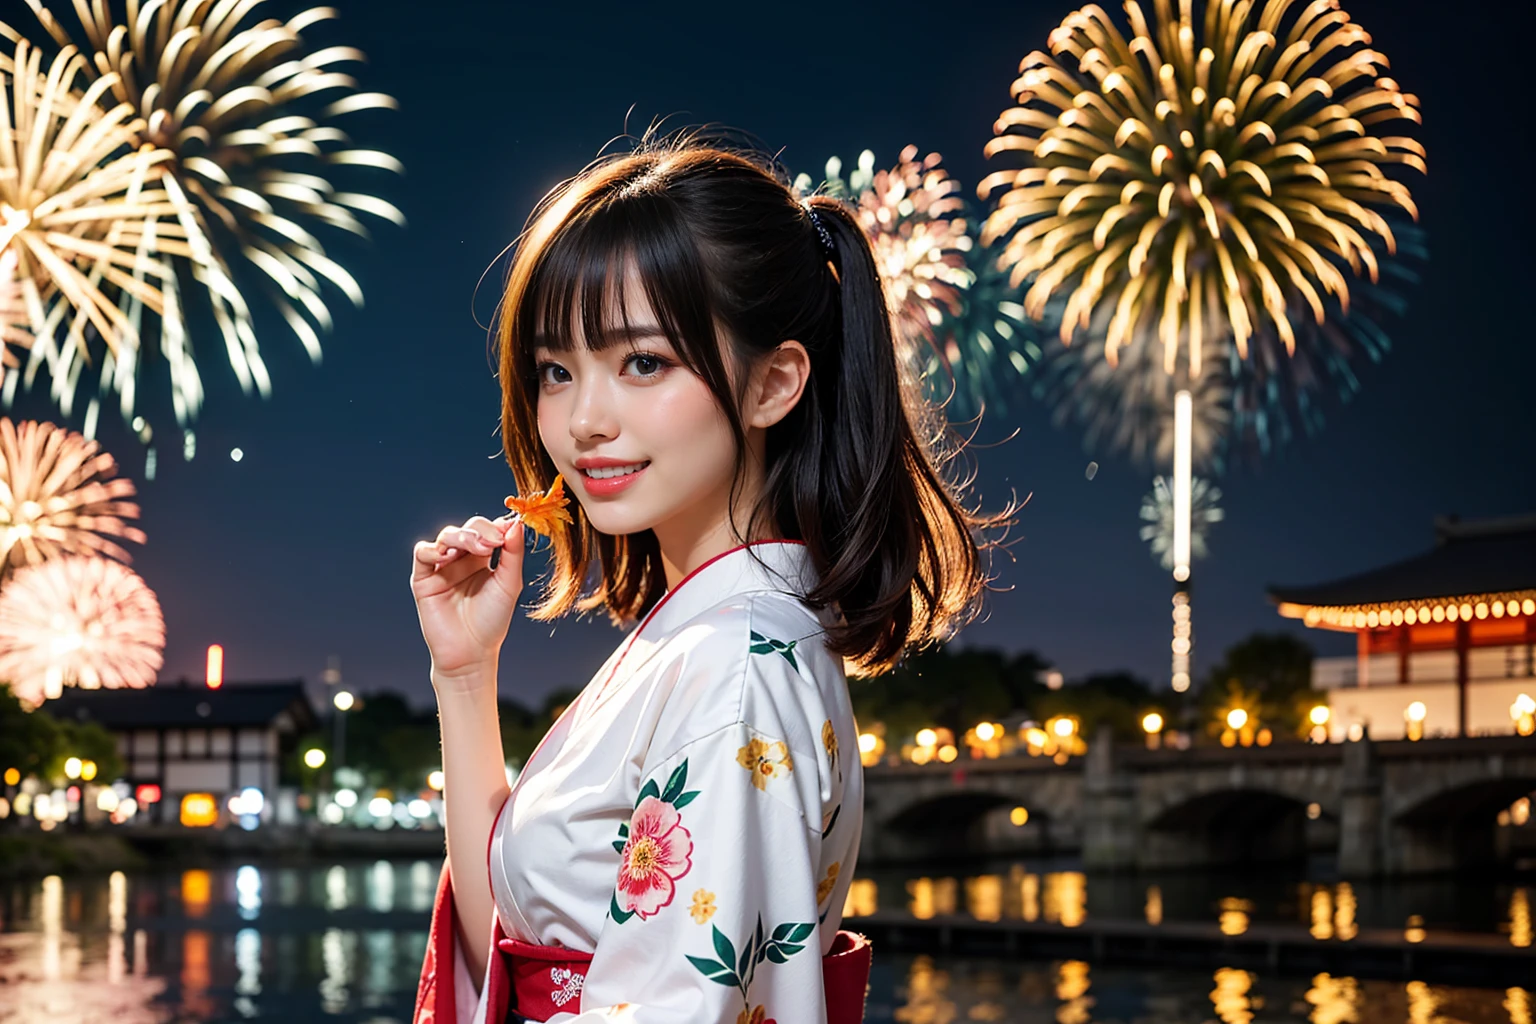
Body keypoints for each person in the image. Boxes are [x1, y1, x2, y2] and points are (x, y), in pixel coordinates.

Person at [409, 133, 1003, 1024]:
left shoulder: (736, 665)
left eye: (643, 362)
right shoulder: (720, 636)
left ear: (774, 383)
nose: (583, 421)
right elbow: (515, 942)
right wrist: (464, 675)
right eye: (555, 371)